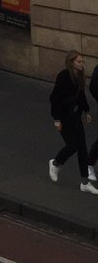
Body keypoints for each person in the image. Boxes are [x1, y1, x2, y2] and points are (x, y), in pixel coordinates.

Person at [48, 50, 98, 192]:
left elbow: (81, 95)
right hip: (64, 117)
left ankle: (84, 182)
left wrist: (87, 110)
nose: (82, 64)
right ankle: (56, 163)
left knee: (82, 148)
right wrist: (57, 119)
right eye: (79, 61)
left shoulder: (80, 76)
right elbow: (54, 98)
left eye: (82, 61)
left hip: (75, 116)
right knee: (73, 145)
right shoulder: (63, 76)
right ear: (71, 62)